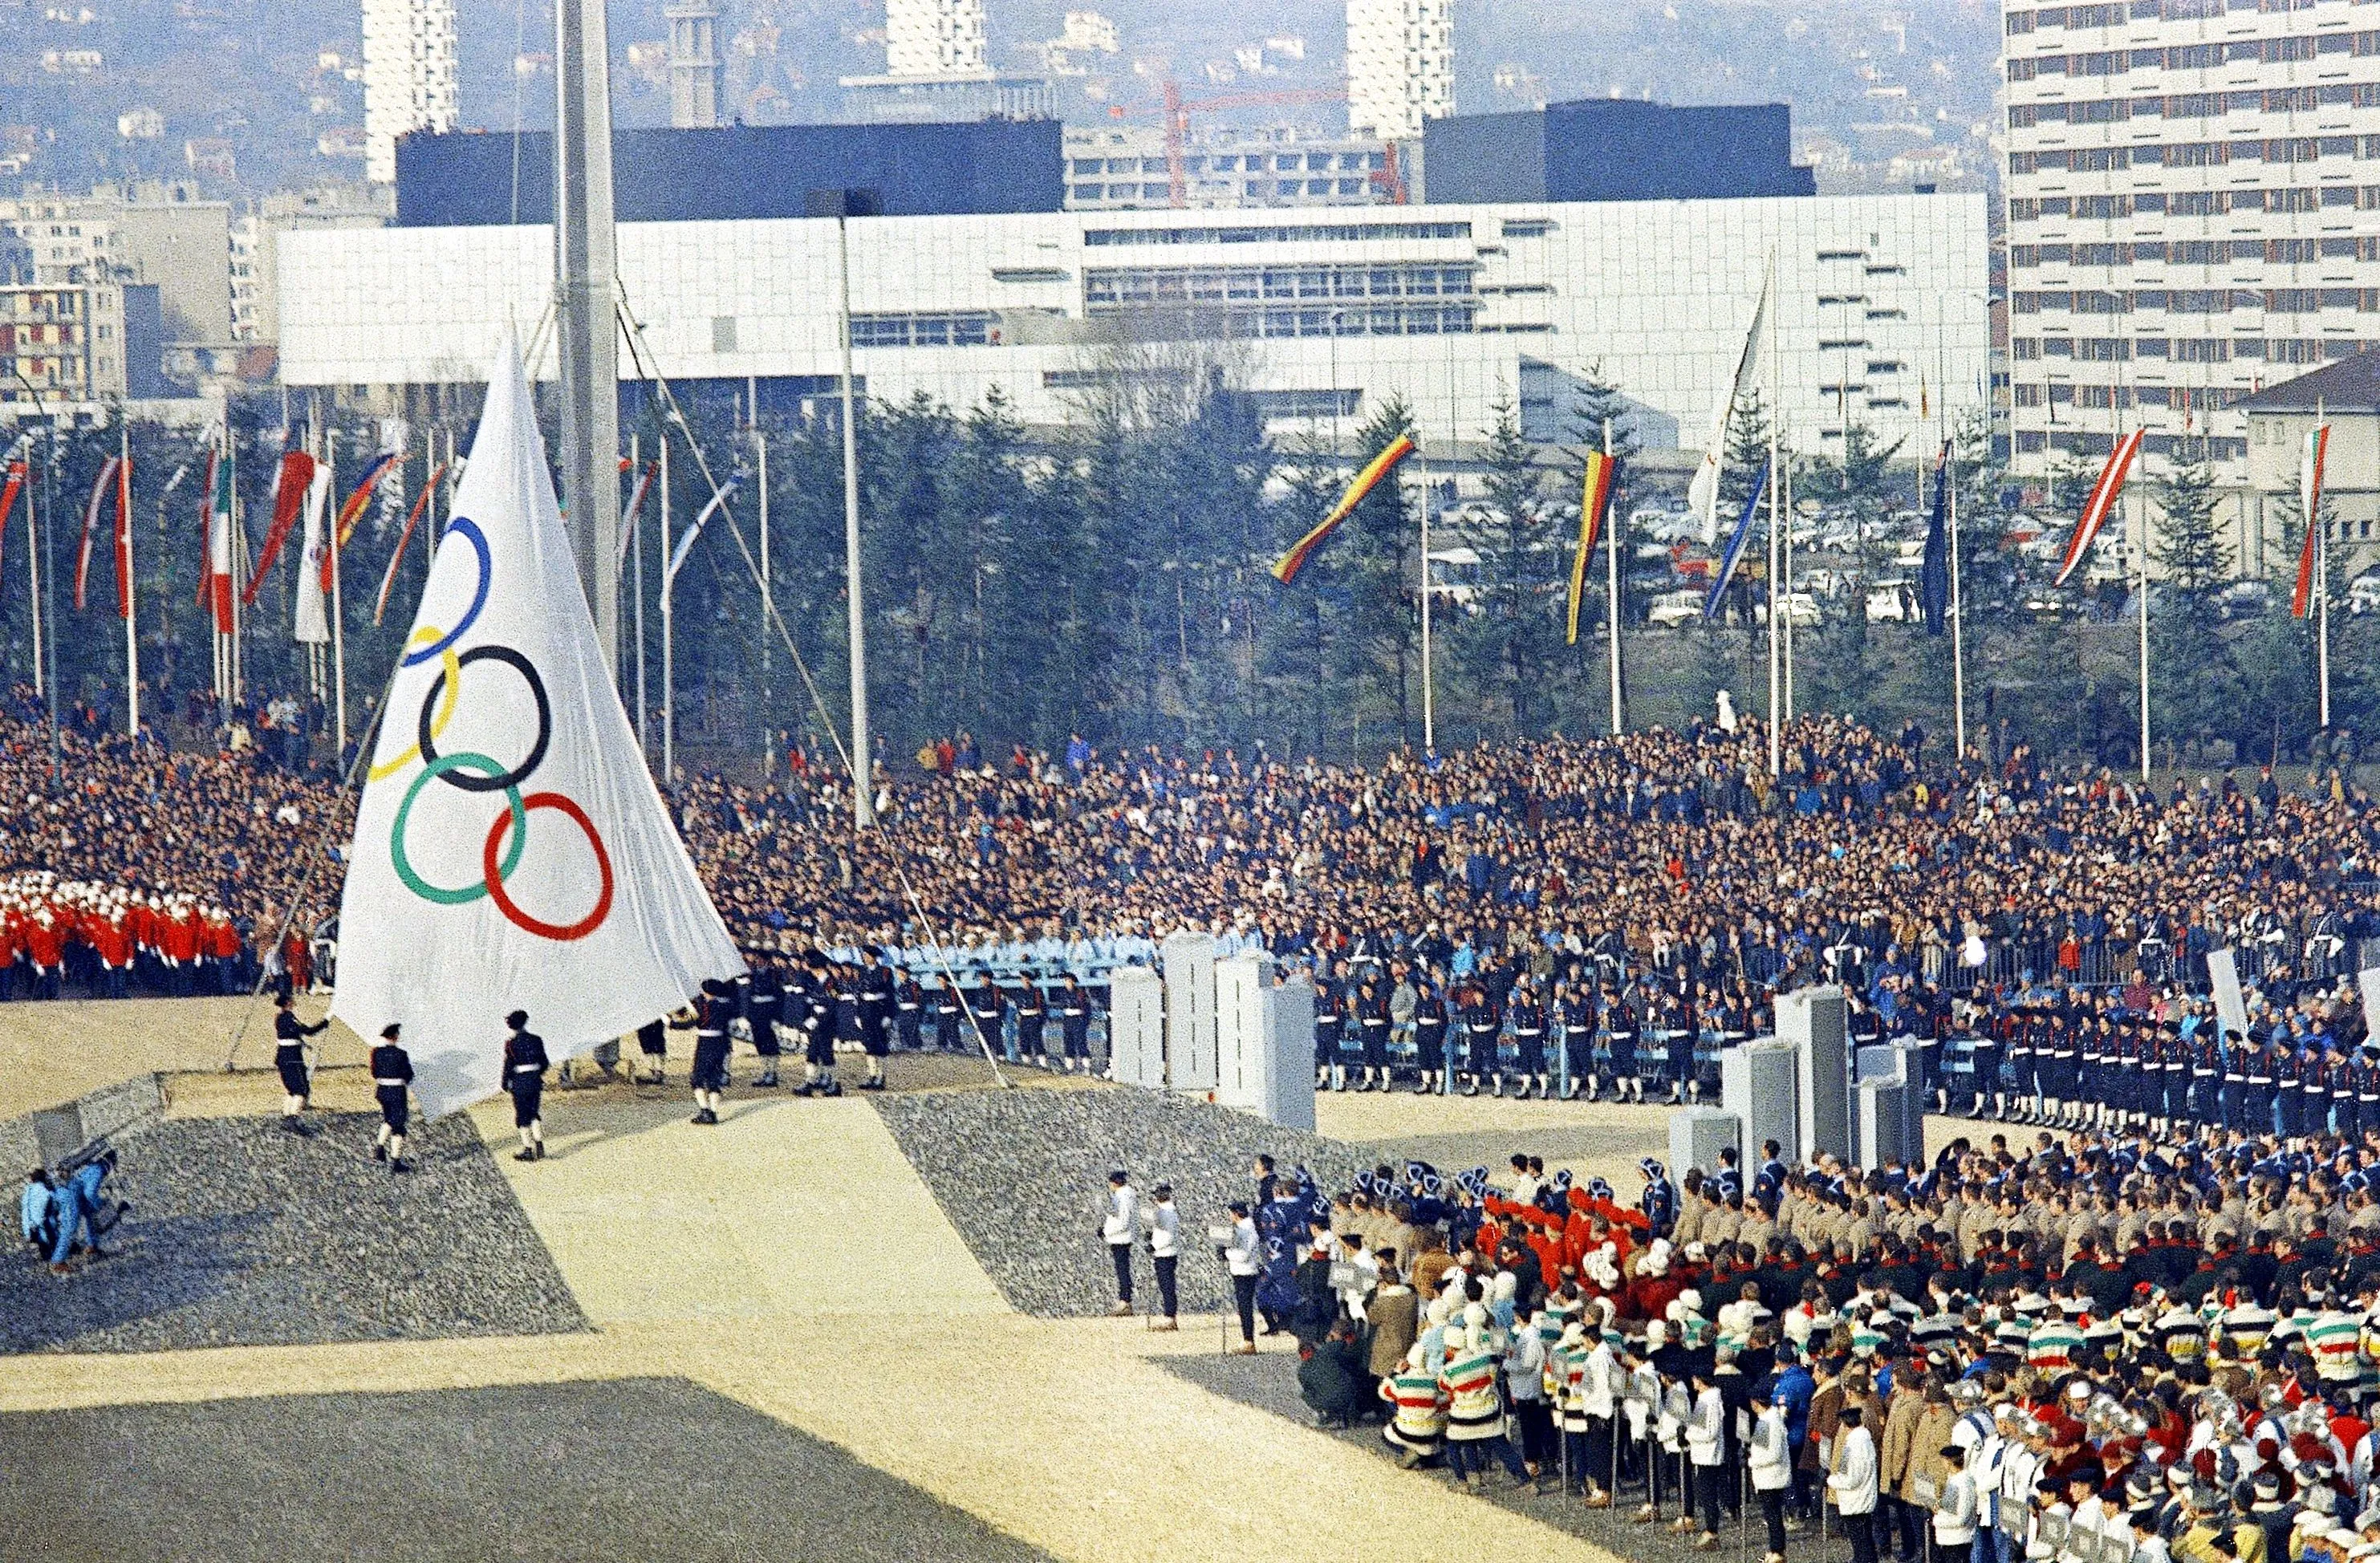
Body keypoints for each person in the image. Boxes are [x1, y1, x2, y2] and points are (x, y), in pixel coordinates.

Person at [1830, 1402, 1881, 1563]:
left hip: (1855, 1500)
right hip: (1862, 1497)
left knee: (1861, 1542)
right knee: (1865, 1540)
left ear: (1845, 1424)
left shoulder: (1853, 1444)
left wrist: (1832, 1480)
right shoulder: (1864, 1440)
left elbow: (1850, 1478)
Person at [1298, 1316, 1371, 1428]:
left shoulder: (1305, 1368)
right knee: (1344, 1384)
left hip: (1346, 1393)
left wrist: (1331, 1342)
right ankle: (1350, 1416)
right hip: (1353, 1389)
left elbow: (1309, 1389)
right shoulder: (1356, 1344)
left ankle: (1331, 1416)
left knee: (1309, 1393)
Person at [273, 991, 327, 1135]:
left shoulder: (279, 1018)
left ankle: (287, 1117)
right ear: (287, 1003)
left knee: (292, 1089)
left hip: (283, 1056)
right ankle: (294, 1119)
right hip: (292, 1057)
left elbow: (292, 1034)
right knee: (301, 1090)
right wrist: (325, 1022)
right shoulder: (289, 1017)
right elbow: (308, 1031)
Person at [1752, 1382, 1794, 1563]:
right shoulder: (1768, 1420)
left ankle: (1777, 1550)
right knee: (1771, 1515)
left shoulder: (1770, 1422)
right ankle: (1774, 1548)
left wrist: (1752, 1461)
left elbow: (1773, 1453)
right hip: (1768, 1475)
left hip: (1771, 1476)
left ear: (1756, 1402)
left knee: (1773, 1515)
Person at [502, 1009, 548, 1162]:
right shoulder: (536, 1040)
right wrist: (536, 1075)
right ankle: (539, 1142)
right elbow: (544, 1063)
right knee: (534, 1112)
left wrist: (505, 1082)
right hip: (534, 1080)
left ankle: (528, 1149)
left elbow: (509, 1065)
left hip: (519, 1082)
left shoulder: (511, 1044)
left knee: (522, 1115)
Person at [369, 1021, 415, 1175]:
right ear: (395, 1037)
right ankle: (395, 1160)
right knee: (398, 1125)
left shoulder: (376, 1052)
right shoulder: (401, 1054)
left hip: (382, 1090)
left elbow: (374, 1073)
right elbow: (408, 1074)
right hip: (397, 1092)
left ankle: (380, 1147)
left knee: (389, 1119)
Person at [1224, 1199, 1261, 1354]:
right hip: (1239, 1271)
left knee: (1245, 1308)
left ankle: (1249, 1340)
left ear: (1237, 1214)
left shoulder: (1247, 1230)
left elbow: (1244, 1254)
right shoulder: (1240, 1228)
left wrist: (1227, 1253)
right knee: (1242, 1307)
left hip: (1245, 1272)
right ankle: (1246, 1339)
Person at [1102, 1167, 1137, 1317]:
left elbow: (1123, 1221)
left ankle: (1125, 1301)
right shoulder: (1124, 1195)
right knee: (1122, 1269)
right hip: (1119, 1237)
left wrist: (1107, 1231)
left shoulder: (1123, 1196)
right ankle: (1124, 1299)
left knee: (1122, 1270)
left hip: (1121, 1238)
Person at [1145, 1181, 1180, 1330]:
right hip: (1161, 1252)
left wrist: (1155, 1245)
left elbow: (1169, 1235)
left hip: (1166, 1253)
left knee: (1167, 1286)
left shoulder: (1168, 1212)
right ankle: (1168, 1315)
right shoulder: (1161, 1210)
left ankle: (1170, 1317)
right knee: (1164, 1285)